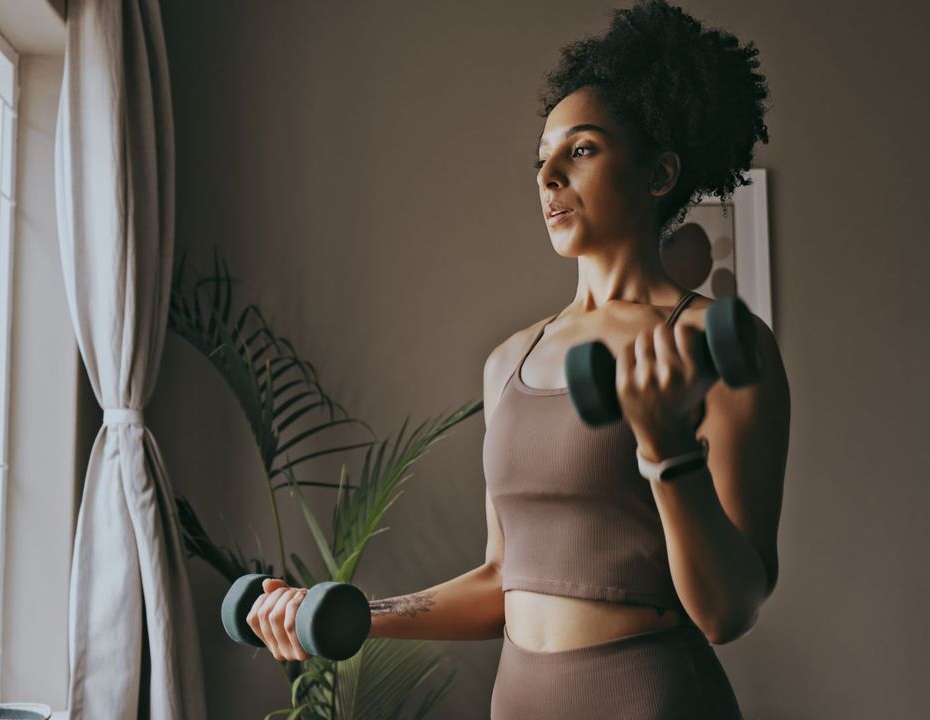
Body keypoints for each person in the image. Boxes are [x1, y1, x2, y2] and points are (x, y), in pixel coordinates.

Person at [245, 1, 790, 717]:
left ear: (660, 173)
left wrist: (667, 453)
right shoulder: (508, 361)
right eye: (542, 161)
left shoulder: (716, 345)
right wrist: (340, 617)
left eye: (582, 150)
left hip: (650, 699)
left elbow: (730, 611)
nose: (549, 176)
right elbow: (503, 578)